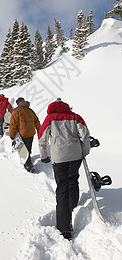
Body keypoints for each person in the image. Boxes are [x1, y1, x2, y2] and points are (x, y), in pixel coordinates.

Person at [38, 98, 90, 240]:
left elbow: (42, 138)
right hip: (75, 156)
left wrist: (44, 156)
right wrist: (84, 151)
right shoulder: (75, 117)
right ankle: (73, 205)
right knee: (73, 179)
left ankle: (64, 229)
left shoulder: (50, 118)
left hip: (59, 157)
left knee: (62, 188)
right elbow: (85, 136)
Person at [9, 97, 41, 173]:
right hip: (31, 133)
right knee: (28, 147)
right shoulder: (30, 111)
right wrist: (40, 132)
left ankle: (28, 165)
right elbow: (37, 122)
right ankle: (28, 158)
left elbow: (13, 125)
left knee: (23, 150)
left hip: (22, 134)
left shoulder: (16, 111)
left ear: (18, 103)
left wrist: (11, 135)